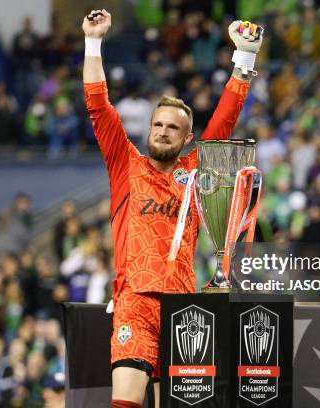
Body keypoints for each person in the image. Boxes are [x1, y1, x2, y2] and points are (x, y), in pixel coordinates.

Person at [82, 9, 263, 407]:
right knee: (125, 401)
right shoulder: (125, 164)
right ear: (148, 130)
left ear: (187, 138)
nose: (163, 132)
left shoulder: (196, 170)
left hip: (184, 305)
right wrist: (93, 42)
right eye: (157, 125)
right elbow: (98, 105)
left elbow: (224, 124)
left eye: (173, 128)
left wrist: (244, 59)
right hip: (135, 299)